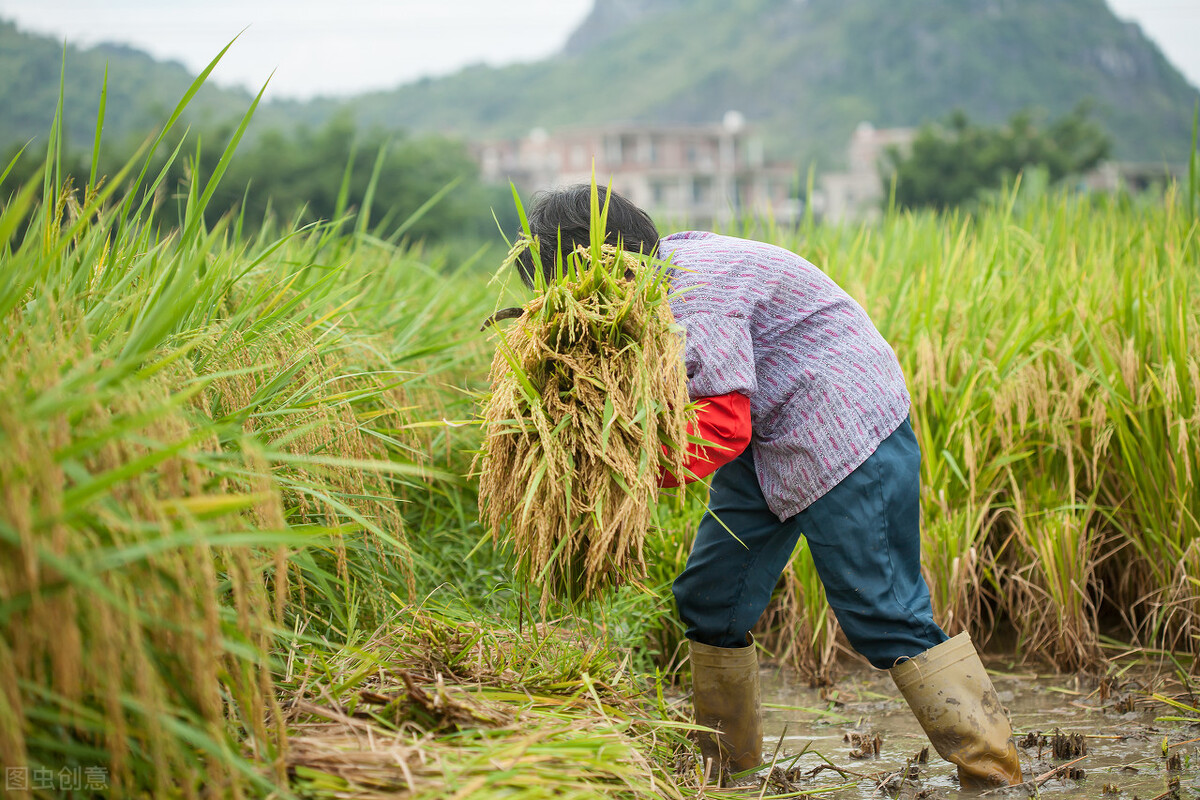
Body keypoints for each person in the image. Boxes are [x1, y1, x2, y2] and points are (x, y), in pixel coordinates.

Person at [510, 184, 1024, 789]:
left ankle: (994, 775)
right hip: (770, 435)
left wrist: (614, 468)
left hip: (845, 425)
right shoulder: (649, 288)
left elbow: (721, 427)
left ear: (596, 263)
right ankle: (731, 773)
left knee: (884, 614)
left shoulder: (693, 292)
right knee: (709, 600)